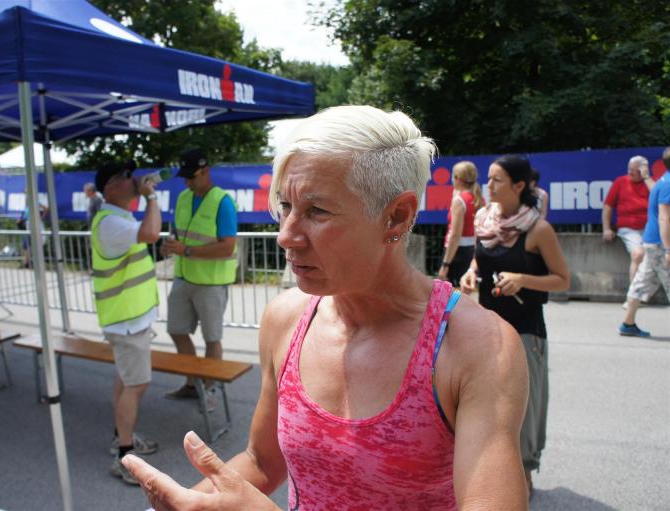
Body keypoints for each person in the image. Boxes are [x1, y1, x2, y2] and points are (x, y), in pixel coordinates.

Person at [124, 106, 531, 510]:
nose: (286, 236)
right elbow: (262, 461)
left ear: (396, 216)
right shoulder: (286, 320)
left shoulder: (475, 346)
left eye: (316, 211)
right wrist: (183, 504)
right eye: (285, 206)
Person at [460, 154, 570, 495]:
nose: (488, 185)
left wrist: (523, 279)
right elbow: (478, 261)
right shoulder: (484, 219)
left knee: (525, 407)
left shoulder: (538, 229)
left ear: (519, 185)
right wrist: (470, 274)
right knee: (485, 404)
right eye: (488, 178)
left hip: (525, 330)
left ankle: (524, 472)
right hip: (486, 329)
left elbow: (563, 279)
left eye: (497, 180)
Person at [91, 159, 163, 485]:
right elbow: (151, 233)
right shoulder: (110, 223)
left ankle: (121, 437)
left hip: (127, 318)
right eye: (126, 176)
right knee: (136, 384)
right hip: (127, 320)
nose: (133, 180)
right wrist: (151, 197)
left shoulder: (116, 218)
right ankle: (124, 456)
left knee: (126, 379)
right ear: (109, 187)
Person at [160, 148, 238, 401]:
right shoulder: (183, 197)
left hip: (211, 283)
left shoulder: (223, 202)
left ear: (206, 171)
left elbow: (227, 247)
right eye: (184, 177)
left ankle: (210, 389)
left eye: (191, 176)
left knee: (212, 339)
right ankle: (193, 384)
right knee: (176, 330)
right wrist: (169, 246)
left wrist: (186, 250)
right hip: (183, 278)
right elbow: (179, 235)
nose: (187, 182)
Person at [619, 147, 670, 337]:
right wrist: (668, 248)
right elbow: (664, 217)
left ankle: (628, 324)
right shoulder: (668, 184)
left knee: (641, 283)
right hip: (660, 243)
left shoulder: (662, 181)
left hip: (653, 241)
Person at [602, 156, 655, 282]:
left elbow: (658, 197)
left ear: (643, 170)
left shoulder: (651, 183)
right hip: (628, 228)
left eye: (634, 170)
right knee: (638, 254)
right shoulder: (620, 182)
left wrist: (647, 178)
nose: (630, 173)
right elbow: (607, 206)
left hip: (650, 228)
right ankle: (634, 291)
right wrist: (606, 228)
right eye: (629, 169)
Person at [437, 160, 484, 285]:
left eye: (453, 176)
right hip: (472, 251)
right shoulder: (479, 198)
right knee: (466, 291)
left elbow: (455, 235)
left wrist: (445, 265)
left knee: (451, 292)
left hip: (457, 253)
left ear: (457, 179)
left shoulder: (459, 200)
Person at [17, 201, 49, 269]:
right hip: (27, 226)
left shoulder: (35, 202)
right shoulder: (25, 206)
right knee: (26, 246)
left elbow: (46, 208)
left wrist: (42, 217)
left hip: (34, 225)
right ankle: (27, 263)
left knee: (35, 245)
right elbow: (21, 217)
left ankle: (36, 263)